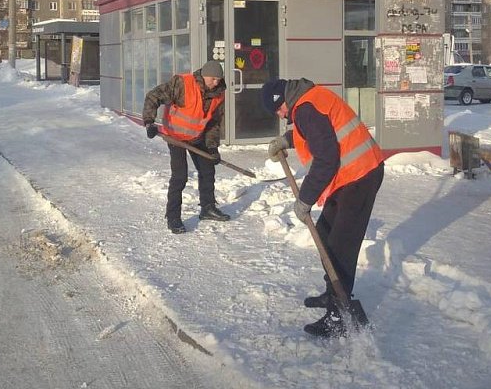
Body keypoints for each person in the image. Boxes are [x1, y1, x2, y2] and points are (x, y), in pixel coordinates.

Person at [261, 77, 385, 338]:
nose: (283, 115)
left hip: (361, 175)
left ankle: (338, 315)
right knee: (326, 234)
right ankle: (333, 295)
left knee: (341, 246)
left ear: (284, 100)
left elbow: (327, 158)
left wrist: (305, 198)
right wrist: (287, 139)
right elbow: (318, 132)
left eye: (279, 110)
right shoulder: (308, 101)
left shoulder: (305, 109)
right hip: (348, 177)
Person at [143, 61, 231, 234]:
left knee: (207, 170)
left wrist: (212, 148)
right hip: (175, 136)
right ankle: (173, 216)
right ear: (204, 75)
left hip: (198, 136)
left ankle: (208, 208)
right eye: (213, 79)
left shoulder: (218, 94)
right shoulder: (183, 84)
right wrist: (149, 122)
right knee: (180, 176)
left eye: (219, 79)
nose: (216, 82)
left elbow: (213, 123)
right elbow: (154, 96)